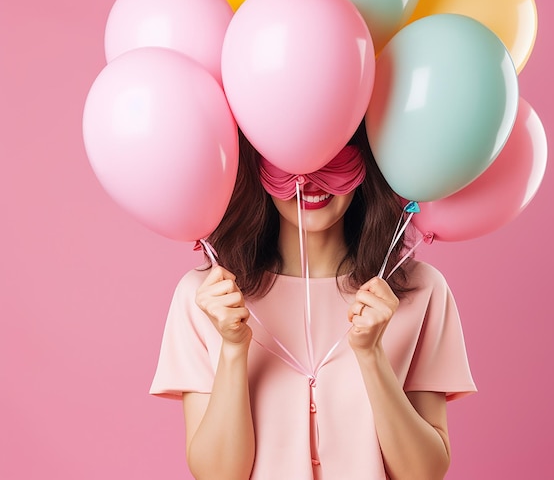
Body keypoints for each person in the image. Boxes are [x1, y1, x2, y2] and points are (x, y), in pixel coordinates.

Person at [150, 124, 476, 480]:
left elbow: (424, 474)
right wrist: (232, 350)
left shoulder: (420, 290)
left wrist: (372, 356)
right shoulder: (207, 297)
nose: (311, 179)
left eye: (333, 153)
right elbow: (217, 476)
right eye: (288, 157)